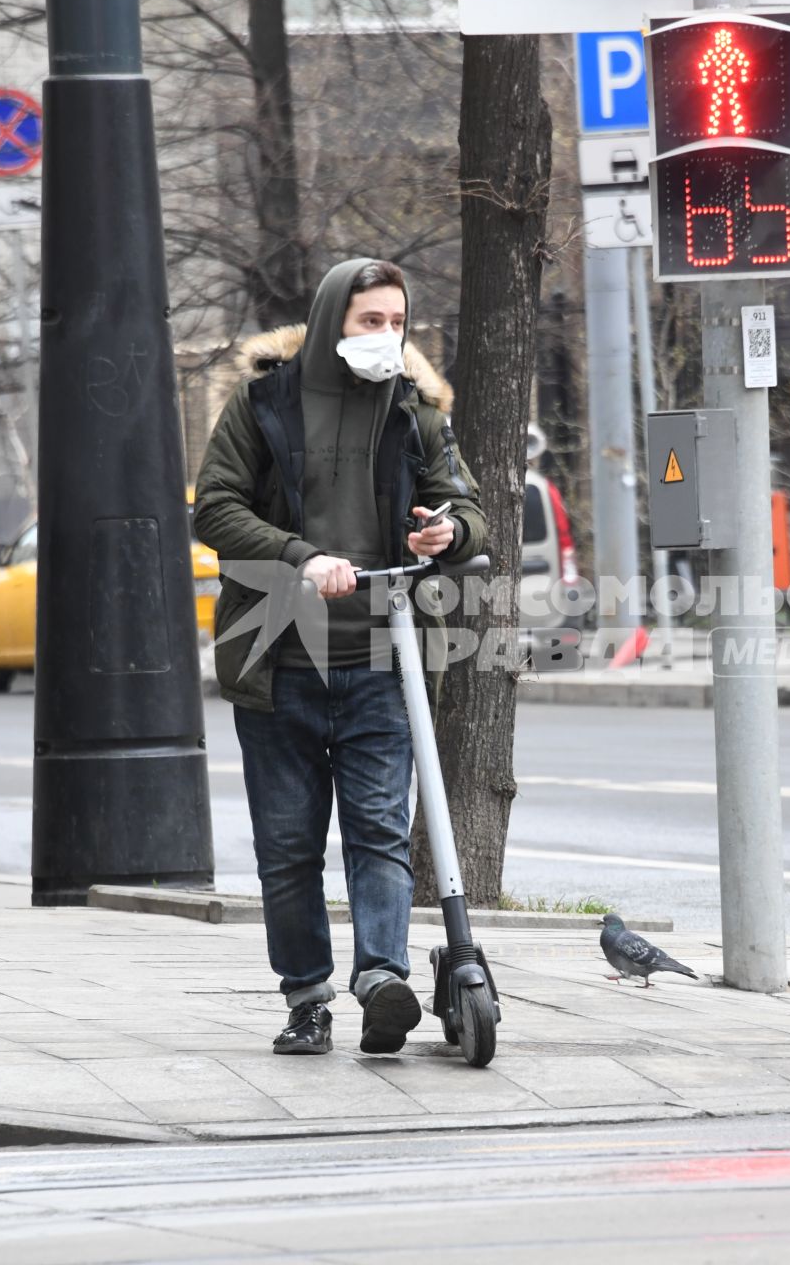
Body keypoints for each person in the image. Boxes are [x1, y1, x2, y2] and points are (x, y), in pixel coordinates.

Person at [194, 258, 486, 1056]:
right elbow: (214, 508)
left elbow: (465, 505)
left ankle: (380, 979)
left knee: (379, 835)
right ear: (332, 323)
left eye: (397, 323)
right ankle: (306, 998)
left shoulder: (414, 413)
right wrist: (298, 556)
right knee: (288, 849)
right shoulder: (263, 408)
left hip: (382, 661)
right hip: (278, 662)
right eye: (370, 322)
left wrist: (447, 532)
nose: (386, 338)